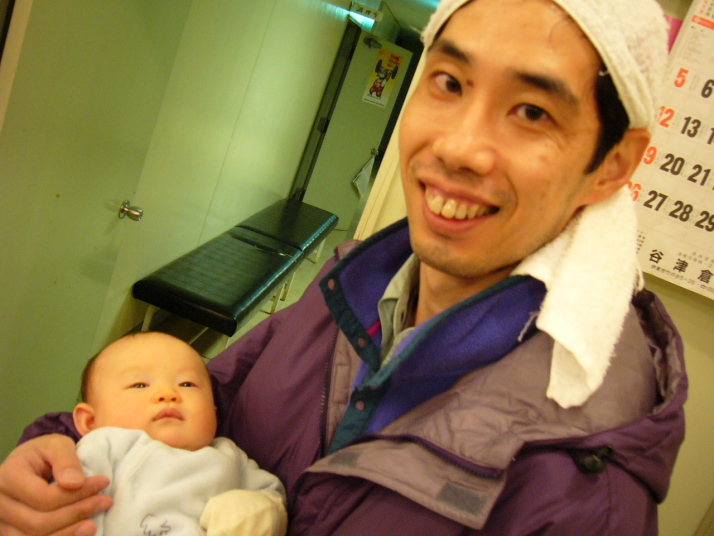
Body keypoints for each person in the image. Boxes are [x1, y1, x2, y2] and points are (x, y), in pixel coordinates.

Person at [0, 0, 687, 534]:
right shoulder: (347, 292)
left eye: (531, 111)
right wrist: (59, 457)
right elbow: (201, 399)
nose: (458, 147)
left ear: (612, 165)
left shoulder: (584, 488)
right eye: (449, 82)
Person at [70, 332, 287, 536]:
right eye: (139, 385)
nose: (168, 393)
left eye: (187, 384)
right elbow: (68, 503)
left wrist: (257, 509)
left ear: (214, 410)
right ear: (90, 422)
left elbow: (272, 498)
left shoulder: (229, 454)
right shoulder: (106, 446)